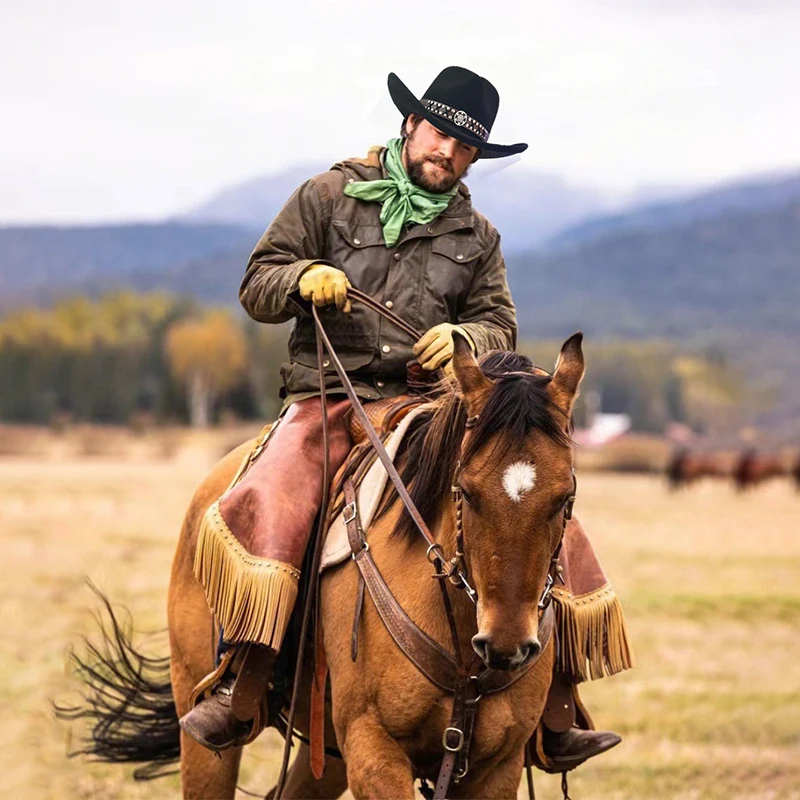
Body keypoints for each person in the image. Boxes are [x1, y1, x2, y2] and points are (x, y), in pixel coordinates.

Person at [180, 66, 632, 774]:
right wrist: (301, 279)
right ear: (411, 124)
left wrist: (467, 343)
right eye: (441, 134)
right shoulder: (326, 196)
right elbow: (257, 281)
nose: (448, 153)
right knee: (274, 496)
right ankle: (246, 673)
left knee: (539, 502)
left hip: (435, 408)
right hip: (330, 398)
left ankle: (557, 701)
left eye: (465, 149)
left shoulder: (478, 235)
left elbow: (497, 323)